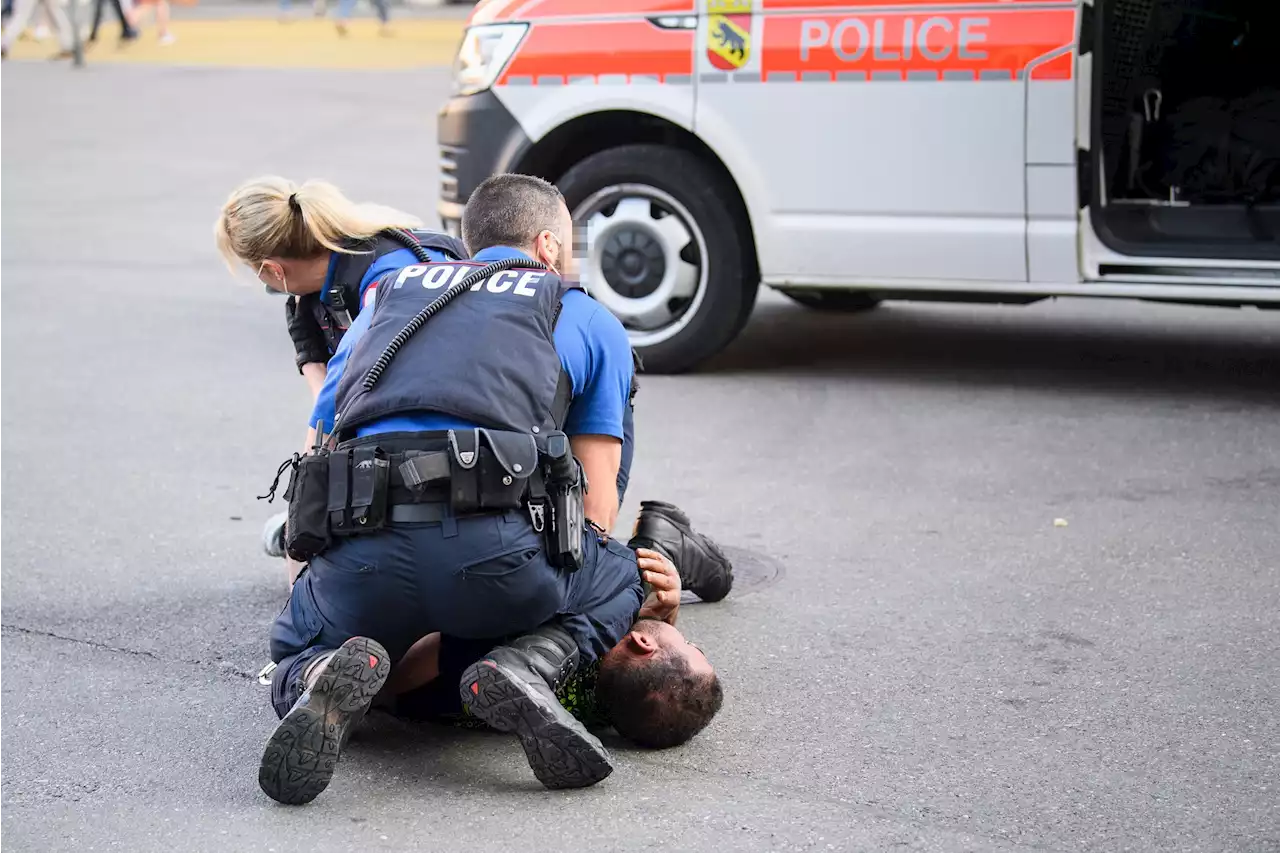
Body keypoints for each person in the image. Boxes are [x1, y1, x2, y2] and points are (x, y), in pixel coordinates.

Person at [258, 173, 720, 805]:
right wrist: (600, 600)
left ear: (471, 248)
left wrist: (308, 588)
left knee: (295, 646)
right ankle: (530, 662)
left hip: (361, 558)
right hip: (496, 559)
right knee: (622, 569)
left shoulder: (387, 295)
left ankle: (314, 671)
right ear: (549, 246)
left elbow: (318, 452)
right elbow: (596, 506)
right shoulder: (577, 310)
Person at [214, 176, 467, 574]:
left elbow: (339, 408)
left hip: (452, 428)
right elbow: (331, 395)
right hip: (444, 413)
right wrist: (311, 356)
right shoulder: (342, 253)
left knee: (310, 563)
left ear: (272, 270)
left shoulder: (388, 276)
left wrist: (305, 518)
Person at [377, 503, 728, 750]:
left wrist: (385, 688)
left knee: (631, 571)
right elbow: (648, 676)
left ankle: (663, 540)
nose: (691, 639)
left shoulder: (536, 640)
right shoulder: (619, 706)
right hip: (427, 691)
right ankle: (672, 554)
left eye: (689, 644)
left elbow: (422, 664)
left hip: (423, 660)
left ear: (641, 642)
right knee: (648, 584)